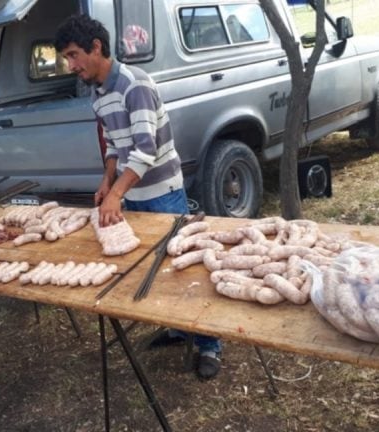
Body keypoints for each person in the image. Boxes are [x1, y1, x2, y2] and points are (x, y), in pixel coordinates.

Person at [54, 15, 223, 379]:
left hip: (163, 193)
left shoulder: (135, 85)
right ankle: (180, 329)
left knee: (183, 270)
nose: (70, 65)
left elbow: (145, 149)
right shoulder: (98, 95)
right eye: (66, 58)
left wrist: (115, 194)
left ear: (96, 47)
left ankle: (210, 346)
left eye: (73, 55)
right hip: (134, 192)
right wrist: (106, 180)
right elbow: (115, 144)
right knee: (155, 269)